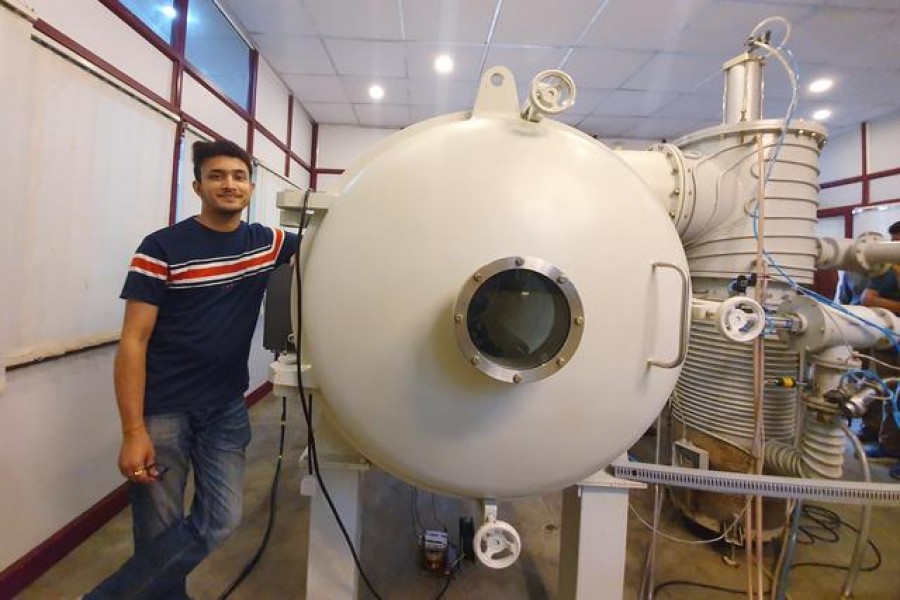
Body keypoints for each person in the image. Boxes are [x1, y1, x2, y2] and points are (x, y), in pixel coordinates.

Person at [85, 139, 298, 599]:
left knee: (221, 519)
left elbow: (334, 243)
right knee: (159, 534)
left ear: (251, 186)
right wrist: (132, 430)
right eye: (218, 176)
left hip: (224, 408)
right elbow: (133, 341)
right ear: (198, 185)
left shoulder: (267, 242)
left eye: (239, 176)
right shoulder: (162, 247)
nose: (229, 184)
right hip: (163, 412)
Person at [859, 220, 900, 480]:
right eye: (894, 242)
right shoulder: (887, 272)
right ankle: (890, 445)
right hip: (889, 336)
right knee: (889, 390)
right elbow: (867, 298)